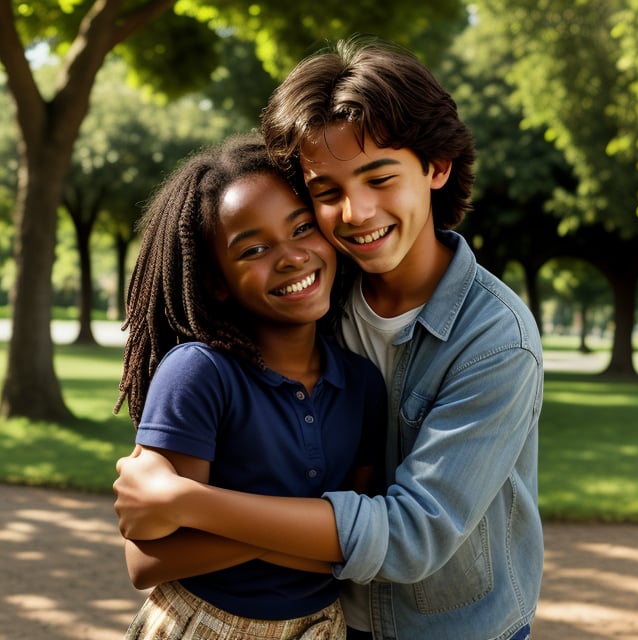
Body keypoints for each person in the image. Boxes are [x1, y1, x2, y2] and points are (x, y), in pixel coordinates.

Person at [114, 36, 544, 640]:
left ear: (436, 168)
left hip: (448, 628)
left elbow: (413, 535)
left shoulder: (496, 340)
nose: (357, 212)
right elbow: (150, 550)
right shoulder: (316, 297)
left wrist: (185, 502)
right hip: (334, 620)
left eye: (380, 177)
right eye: (327, 192)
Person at [112, 132, 387, 639]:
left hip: (322, 628)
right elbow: (148, 559)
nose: (291, 256)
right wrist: (312, 529)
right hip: (203, 624)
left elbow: (356, 542)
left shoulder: (363, 384)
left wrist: (211, 514)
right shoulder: (199, 374)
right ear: (217, 280)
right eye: (254, 248)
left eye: (303, 228)